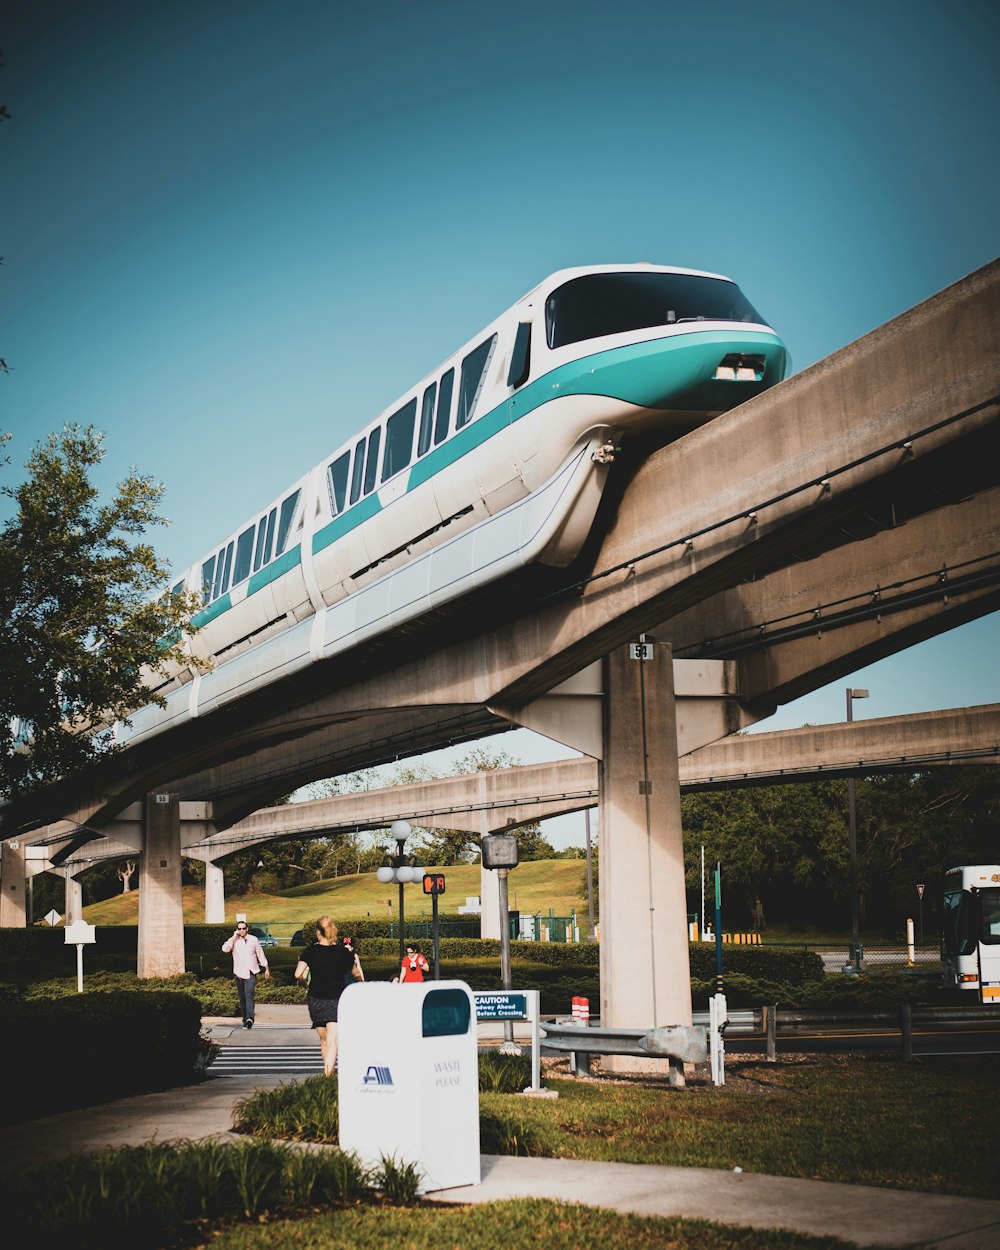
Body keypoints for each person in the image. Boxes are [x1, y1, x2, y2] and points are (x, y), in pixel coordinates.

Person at [294, 916, 362, 1075]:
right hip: (336, 999)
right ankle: (328, 1075)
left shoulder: (310, 951)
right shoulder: (343, 953)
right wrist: (361, 983)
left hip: (315, 999)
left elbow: (298, 974)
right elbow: (356, 973)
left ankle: (328, 1072)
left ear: (318, 933)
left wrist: (305, 984)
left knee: (323, 1040)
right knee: (333, 1041)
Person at [222, 920, 270, 1029]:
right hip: (238, 973)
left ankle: (250, 1018)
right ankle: (245, 1020)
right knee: (242, 997)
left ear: (247, 929)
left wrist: (266, 967)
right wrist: (234, 937)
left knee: (249, 995)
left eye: (243, 928)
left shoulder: (253, 940)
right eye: (239, 929)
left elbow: (260, 954)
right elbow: (225, 949)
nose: (241, 930)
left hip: (251, 972)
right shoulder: (234, 941)